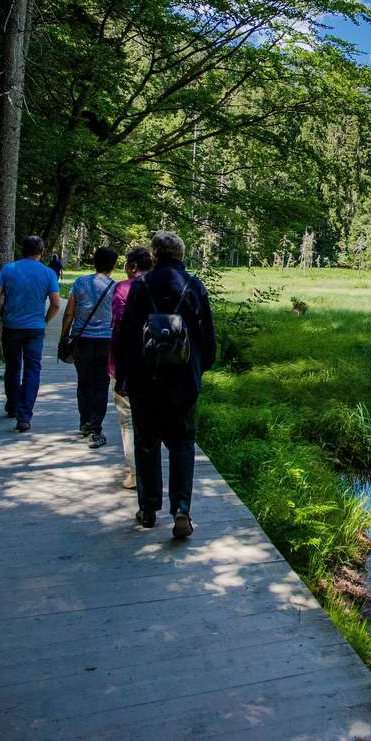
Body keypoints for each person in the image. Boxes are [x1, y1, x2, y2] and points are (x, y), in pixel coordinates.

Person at [113, 230, 215, 539]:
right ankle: (181, 509)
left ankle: (148, 509)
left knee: (146, 443)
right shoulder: (194, 286)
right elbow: (207, 338)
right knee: (182, 444)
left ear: (154, 254)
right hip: (183, 383)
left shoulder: (141, 286)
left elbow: (128, 334)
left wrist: (123, 376)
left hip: (146, 381)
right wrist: (200, 369)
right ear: (181, 255)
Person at [0, 235, 61, 434]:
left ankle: (12, 406)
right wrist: (44, 321)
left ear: (22, 249)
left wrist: (3, 314)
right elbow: (56, 304)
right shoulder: (48, 273)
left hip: (11, 327)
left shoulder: (8, 269)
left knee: (12, 367)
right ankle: (24, 415)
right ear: (42, 251)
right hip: (35, 329)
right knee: (32, 370)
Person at [60, 246, 117, 448]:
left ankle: (85, 422)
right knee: (101, 384)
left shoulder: (80, 282)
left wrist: (63, 336)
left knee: (84, 382)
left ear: (94, 261)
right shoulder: (115, 287)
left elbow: (69, 313)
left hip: (81, 339)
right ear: (114, 265)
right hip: (106, 341)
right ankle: (95, 427)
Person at [109, 247, 151, 490]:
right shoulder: (160, 286)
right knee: (151, 418)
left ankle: (136, 473)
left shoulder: (124, 288)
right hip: (158, 364)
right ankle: (150, 469)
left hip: (125, 363)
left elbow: (119, 324)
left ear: (133, 266)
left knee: (128, 419)